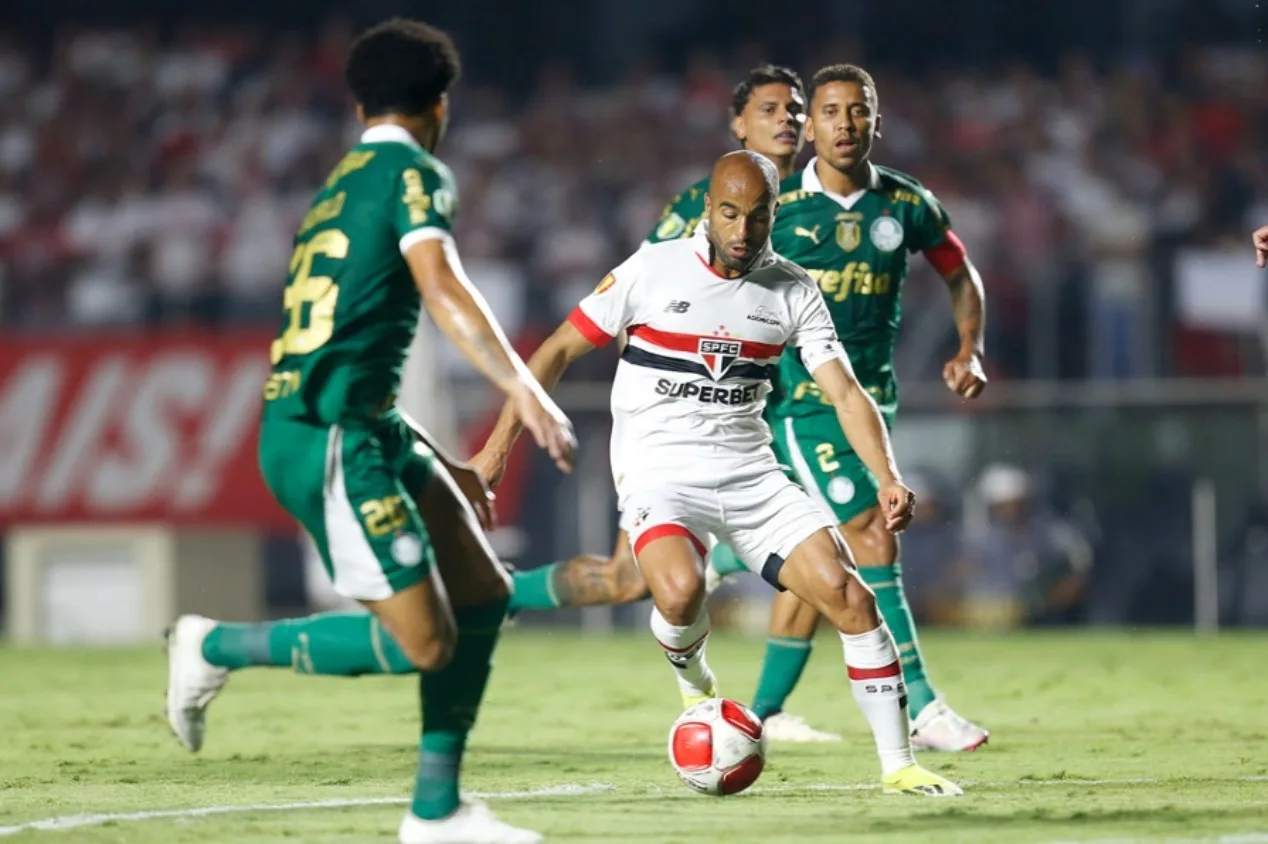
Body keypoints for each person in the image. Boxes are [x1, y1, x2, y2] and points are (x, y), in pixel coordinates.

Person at [163, 19, 573, 844]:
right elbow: (442, 283)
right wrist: (523, 386)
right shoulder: (415, 171)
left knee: (487, 593)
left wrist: (432, 455)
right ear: (442, 106)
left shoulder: (337, 185)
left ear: (357, 104)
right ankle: (218, 646)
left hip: (364, 423)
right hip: (329, 438)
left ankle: (437, 811)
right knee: (427, 642)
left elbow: (353, 341)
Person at [504, 63, 992, 753]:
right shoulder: (723, 207)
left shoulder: (888, 206)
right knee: (864, 534)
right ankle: (921, 707)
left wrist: (969, 346)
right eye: (774, 109)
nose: (791, 120)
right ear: (737, 125)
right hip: (768, 414)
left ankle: (760, 708)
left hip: (823, 411)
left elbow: (955, 270)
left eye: (798, 108)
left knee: (652, 581)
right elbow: (646, 295)